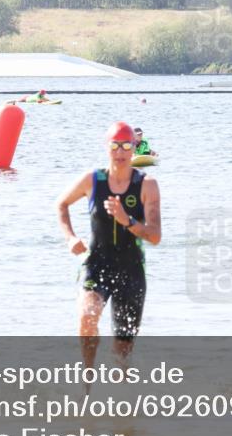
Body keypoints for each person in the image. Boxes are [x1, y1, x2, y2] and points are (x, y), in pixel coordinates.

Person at [56, 122, 162, 370]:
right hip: (98, 264)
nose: (120, 152)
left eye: (126, 146)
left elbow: (155, 236)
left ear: (134, 148)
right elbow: (61, 205)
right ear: (107, 148)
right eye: (115, 146)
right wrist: (70, 238)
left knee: (121, 355)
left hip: (131, 271)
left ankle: (119, 399)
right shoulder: (92, 180)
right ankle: (87, 380)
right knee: (87, 315)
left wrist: (128, 221)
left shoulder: (147, 185)